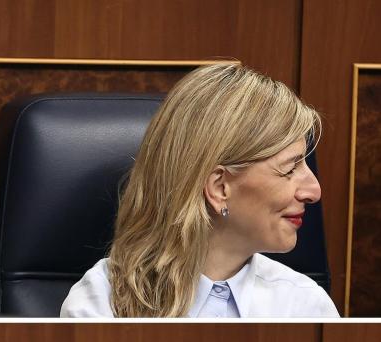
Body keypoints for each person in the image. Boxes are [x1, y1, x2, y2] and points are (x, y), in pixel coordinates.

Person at [61, 63, 338, 318]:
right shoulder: (100, 300)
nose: (313, 191)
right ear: (219, 188)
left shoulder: (305, 305)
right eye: (290, 169)